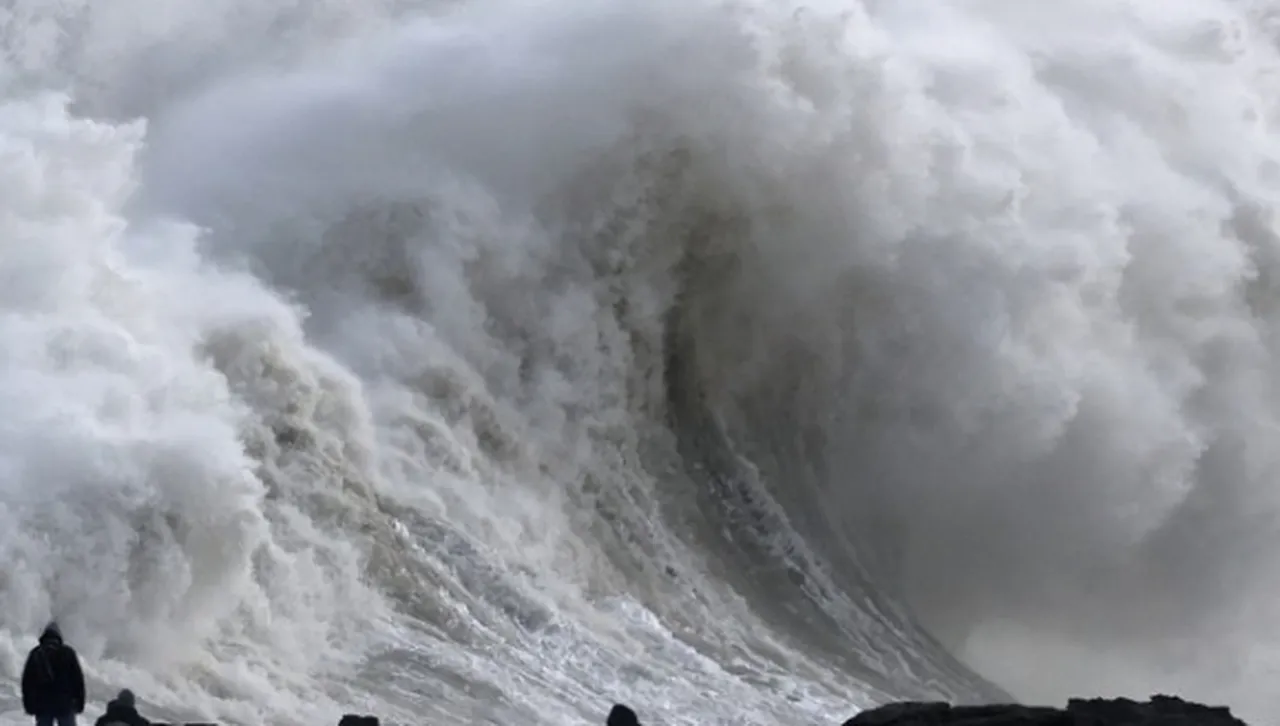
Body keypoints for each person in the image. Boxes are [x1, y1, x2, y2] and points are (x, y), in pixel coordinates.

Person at [21, 622, 86, 726]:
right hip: (65, 704)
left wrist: (28, 705)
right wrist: (80, 702)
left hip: (42, 704)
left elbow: (27, 682)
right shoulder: (68, 653)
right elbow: (78, 680)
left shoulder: (36, 653)